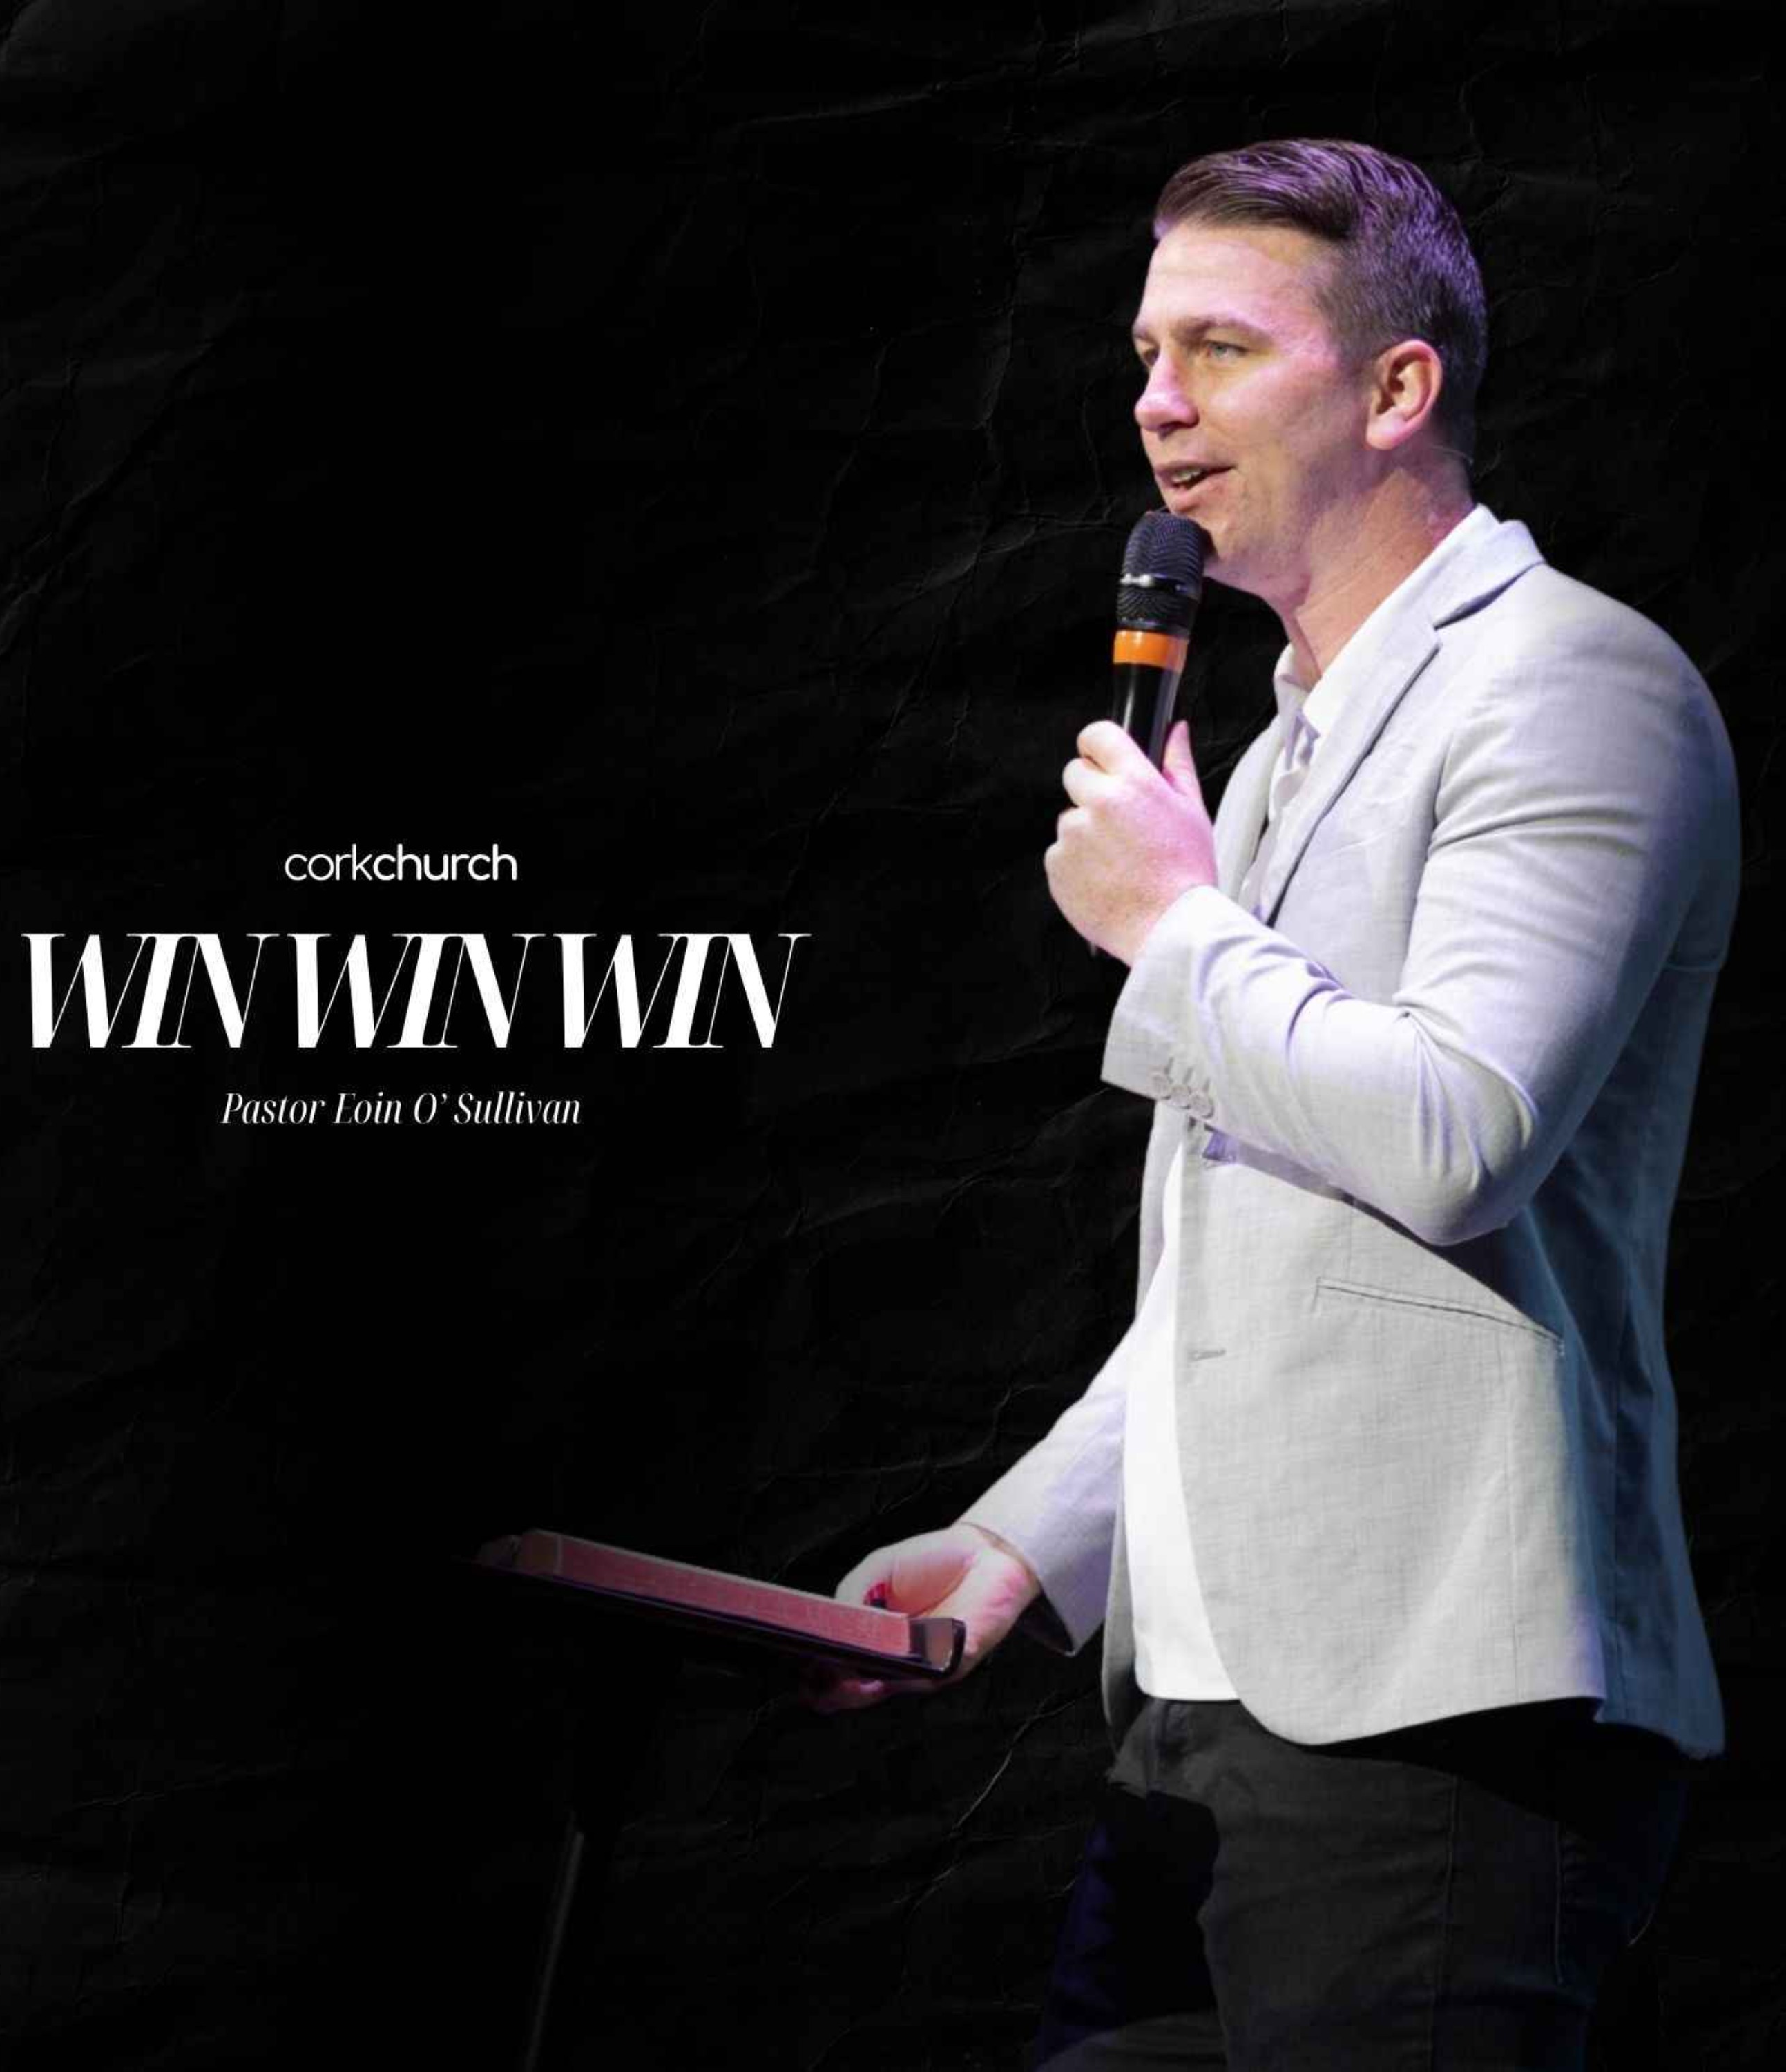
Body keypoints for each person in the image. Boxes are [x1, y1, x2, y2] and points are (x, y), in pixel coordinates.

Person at [813, 140, 1736, 2069]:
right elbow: (1250, 1264)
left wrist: (1170, 932)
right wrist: (1028, 1548)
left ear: (1397, 388)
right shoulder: (1272, 763)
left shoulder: (1572, 684)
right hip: (1204, 1717)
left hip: (1444, 1718)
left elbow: (1462, 1135)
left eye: (1221, 349)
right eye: (1147, 357)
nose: (1158, 403)